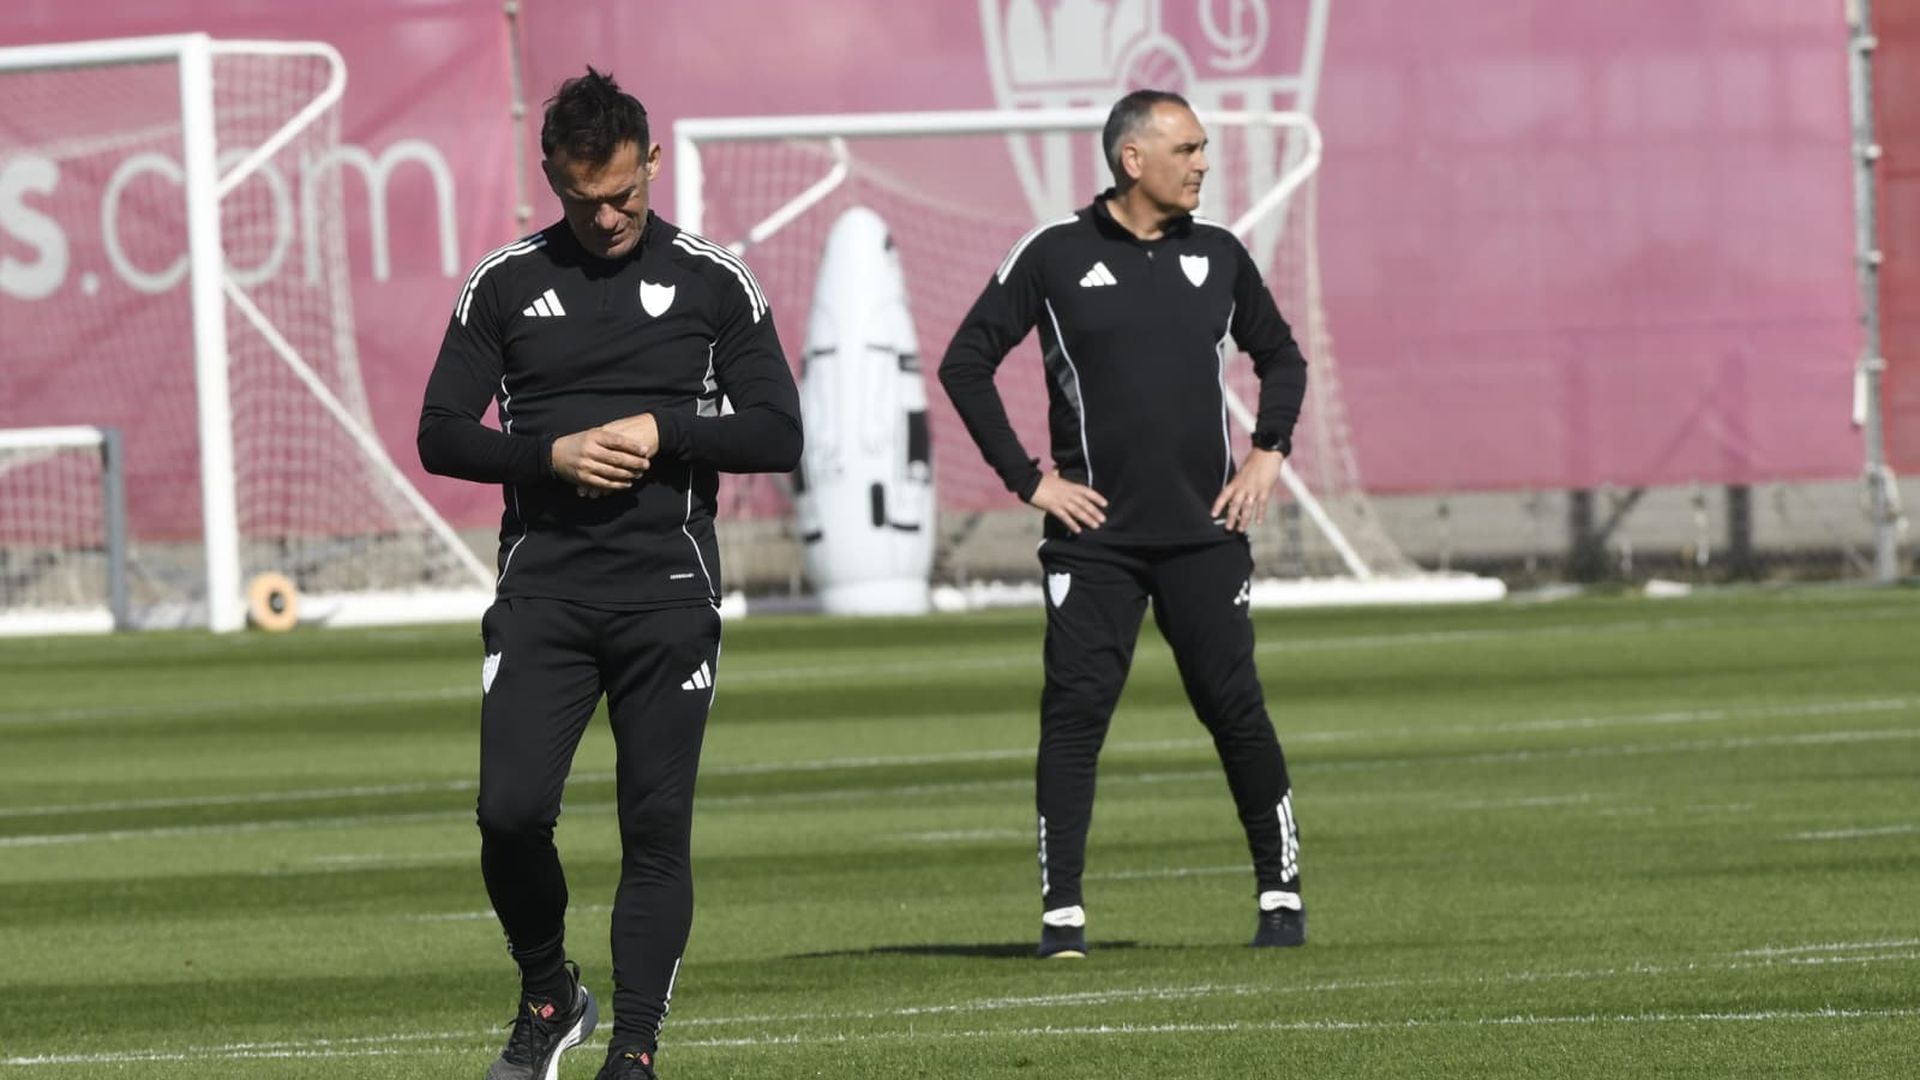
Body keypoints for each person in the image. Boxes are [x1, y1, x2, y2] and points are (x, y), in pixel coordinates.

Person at [418, 68, 801, 1080]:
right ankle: (551, 995)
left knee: (654, 825)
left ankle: (633, 1049)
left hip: (667, 597)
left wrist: (665, 429)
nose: (606, 215)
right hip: (543, 592)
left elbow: (777, 430)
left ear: (653, 165)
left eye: (624, 194)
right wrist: (547, 456)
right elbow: (442, 433)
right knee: (508, 814)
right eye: (583, 198)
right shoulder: (501, 285)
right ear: (550, 175)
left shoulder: (717, 282)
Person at [938, 89, 1310, 957]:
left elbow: (1281, 356)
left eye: (1205, 148)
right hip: (1093, 544)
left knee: (1235, 711)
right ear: (1132, 159)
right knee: (1074, 721)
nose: (1203, 163)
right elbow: (967, 364)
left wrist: (1268, 451)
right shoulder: (1054, 254)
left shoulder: (1218, 255)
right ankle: (1061, 917)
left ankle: (1281, 898)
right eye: (1187, 149)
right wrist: (1030, 481)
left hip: (1204, 537)